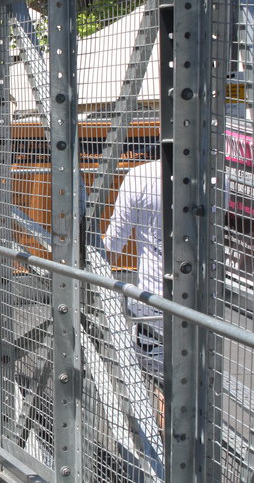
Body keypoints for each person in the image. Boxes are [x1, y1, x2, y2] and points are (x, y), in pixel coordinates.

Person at [104, 159, 164, 379]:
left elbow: (113, 243)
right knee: (201, 385)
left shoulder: (142, 175)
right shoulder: (215, 176)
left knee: (162, 384)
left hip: (154, 300)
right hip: (204, 303)